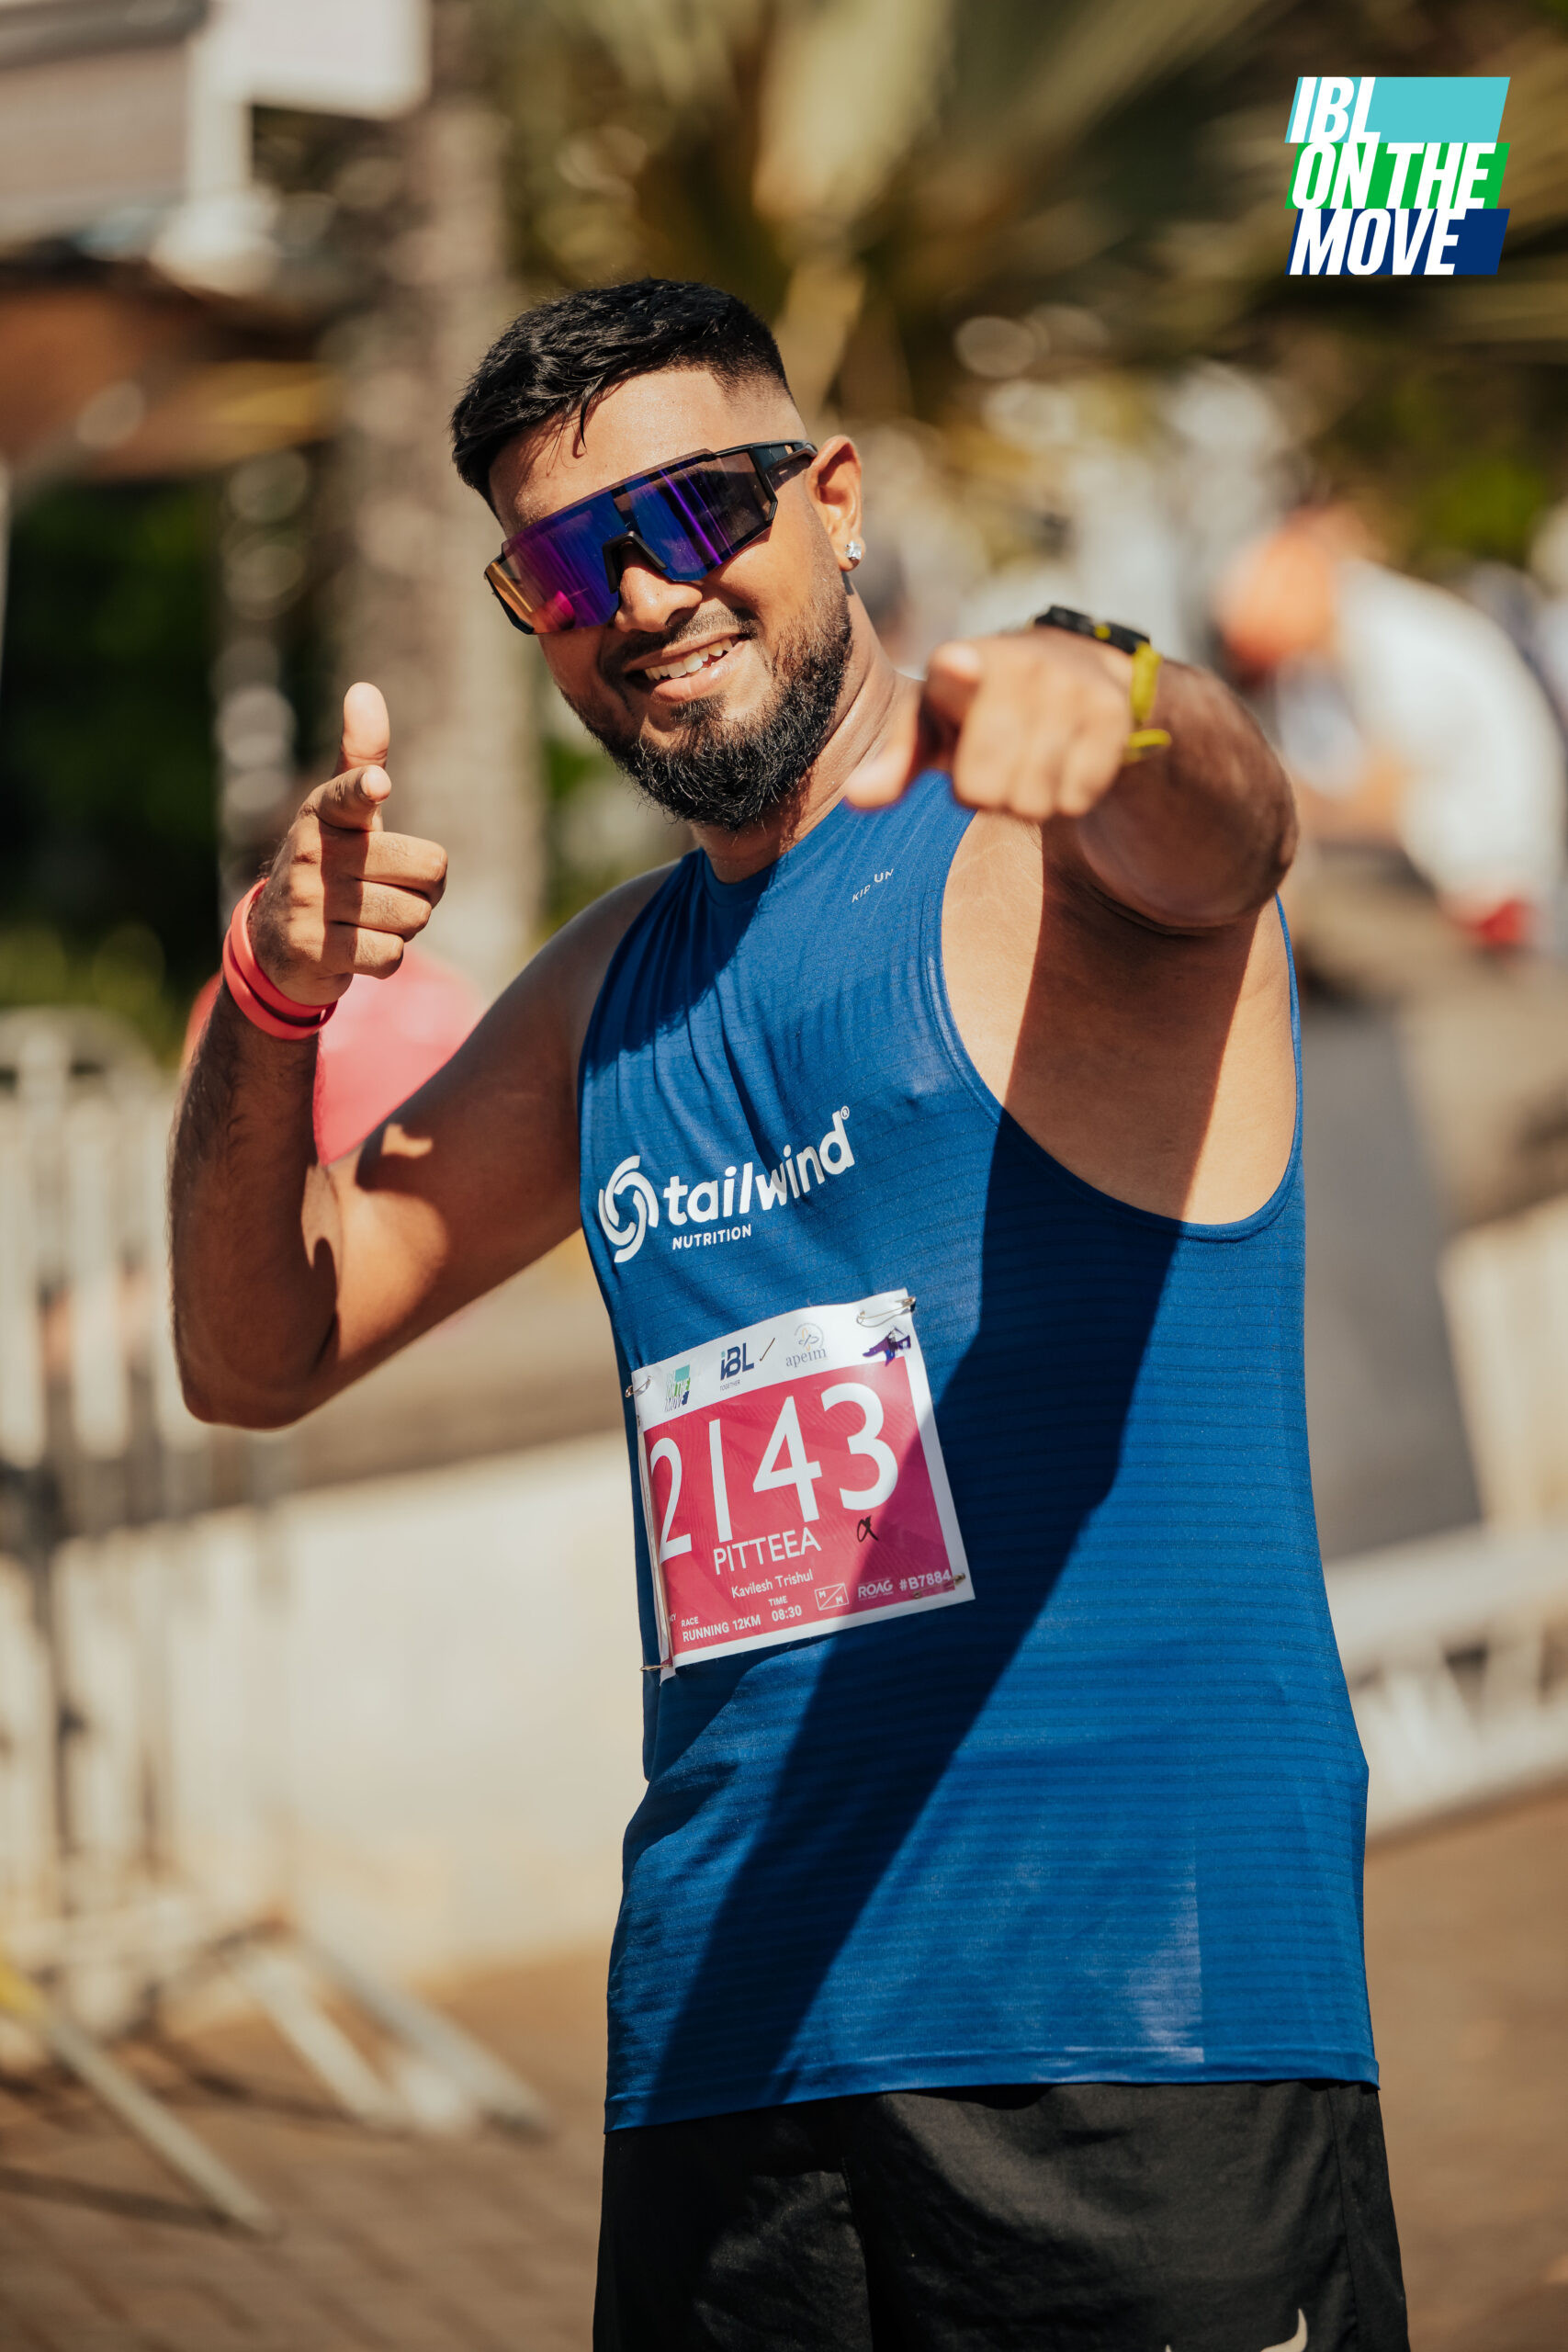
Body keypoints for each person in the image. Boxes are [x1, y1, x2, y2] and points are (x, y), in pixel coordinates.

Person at [171, 281, 1407, 2351]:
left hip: (1135, 2029)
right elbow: (251, 1353)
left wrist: (1115, 695)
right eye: (567, 568)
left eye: (694, 511)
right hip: (725, 2057)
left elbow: (1231, 830)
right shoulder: (608, 990)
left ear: (832, 496)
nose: (645, 597)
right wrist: (270, 1000)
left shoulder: (1044, 850)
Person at [1217, 507, 1566, 950]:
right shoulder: (1315, 665)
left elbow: (1378, 802)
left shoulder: (1401, 641)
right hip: (1433, 877)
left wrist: (1277, 801)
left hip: (1494, 892)